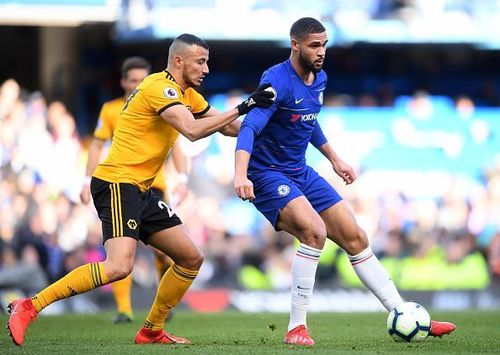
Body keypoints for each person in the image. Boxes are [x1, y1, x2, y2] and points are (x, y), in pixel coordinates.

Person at [7, 33, 274, 347]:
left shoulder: (188, 95)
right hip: (117, 182)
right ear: (178, 61)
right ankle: (30, 305)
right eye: (200, 62)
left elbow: (227, 126)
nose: (206, 69)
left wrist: (266, 126)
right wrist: (245, 105)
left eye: (207, 62)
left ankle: (151, 330)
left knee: (190, 258)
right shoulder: (158, 87)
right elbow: (191, 131)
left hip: (141, 189)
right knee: (120, 266)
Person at [233, 17, 456, 346]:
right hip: (266, 173)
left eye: (324, 44)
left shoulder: (320, 77)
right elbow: (250, 127)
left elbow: (308, 120)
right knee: (314, 232)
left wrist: (335, 159)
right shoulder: (275, 80)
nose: (321, 51)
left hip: (299, 169)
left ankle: (403, 312)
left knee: (355, 236)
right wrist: (240, 173)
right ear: (295, 45)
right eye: (314, 45)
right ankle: (297, 327)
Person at [80, 56, 189, 324]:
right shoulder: (110, 110)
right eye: (133, 80)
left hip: (155, 186)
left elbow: (177, 144)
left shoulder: (163, 100)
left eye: (142, 78)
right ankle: (124, 309)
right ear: (123, 82)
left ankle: (163, 304)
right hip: (121, 184)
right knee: (121, 255)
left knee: (164, 252)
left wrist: (182, 178)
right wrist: (85, 180)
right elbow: (96, 144)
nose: (138, 83)